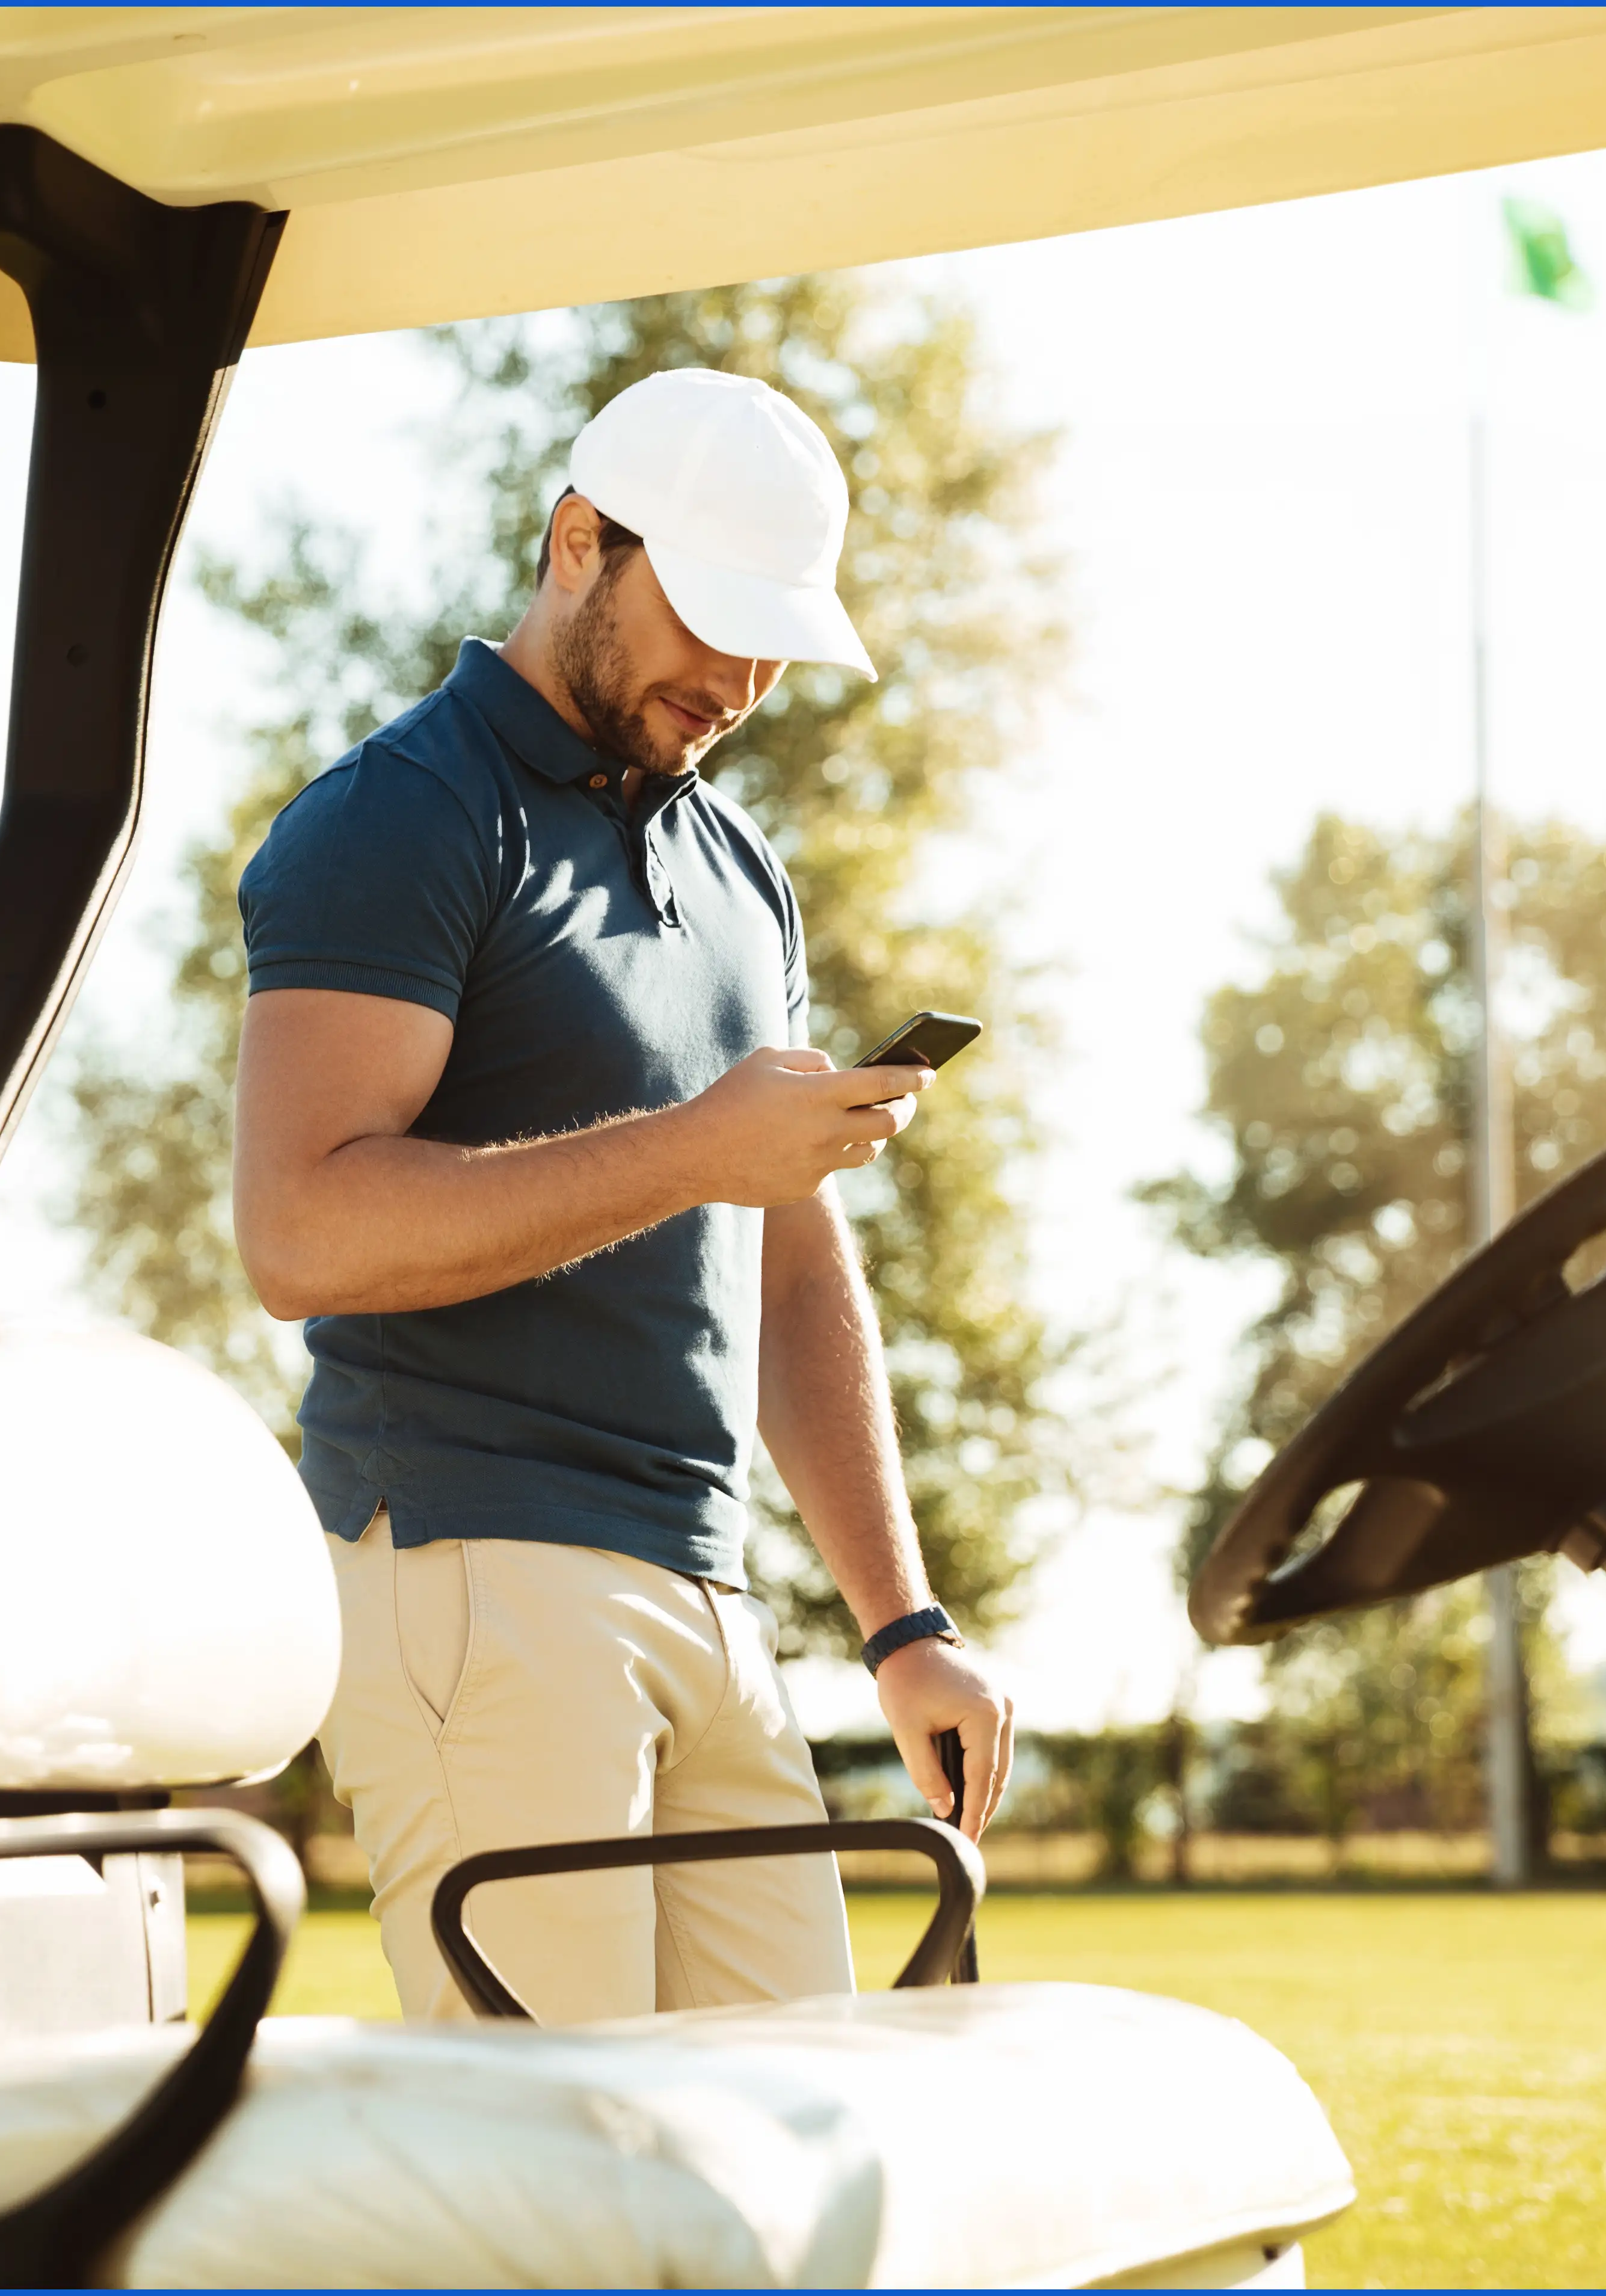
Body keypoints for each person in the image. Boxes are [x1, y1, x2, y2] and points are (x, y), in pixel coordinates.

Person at [231, 366, 1017, 2025]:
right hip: (475, 1563)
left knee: (789, 2143)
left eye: (773, 637)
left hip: (706, 1584)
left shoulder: (740, 874)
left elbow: (792, 1265)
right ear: (577, 542)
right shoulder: (401, 816)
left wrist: (902, 1625)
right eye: (713, 619)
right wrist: (694, 1152)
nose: (739, 679)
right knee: (558, 2188)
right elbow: (299, 1234)